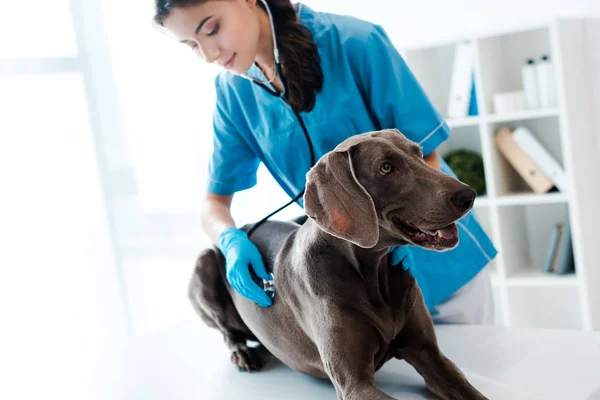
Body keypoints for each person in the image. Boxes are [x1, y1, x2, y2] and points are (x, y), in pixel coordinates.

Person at [154, 0, 498, 324]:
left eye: (212, 29)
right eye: (191, 45)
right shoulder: (233, 96)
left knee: (473, 381)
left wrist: (412, 232)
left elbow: (426, 152)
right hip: (358, 286)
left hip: (440, 260)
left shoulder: (355, 42)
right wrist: (229, 242)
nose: (210, 54)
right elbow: (214, 204)